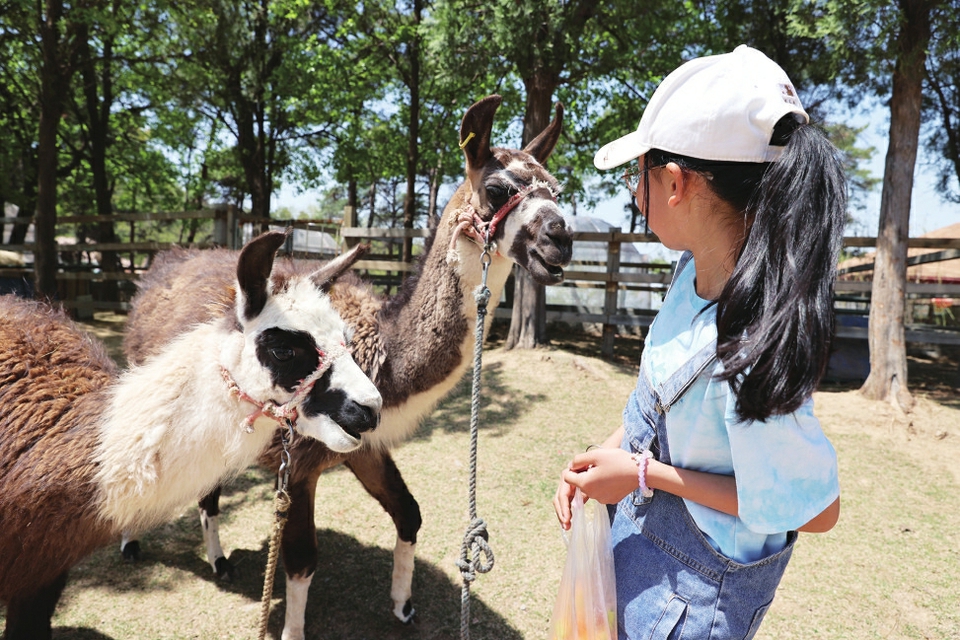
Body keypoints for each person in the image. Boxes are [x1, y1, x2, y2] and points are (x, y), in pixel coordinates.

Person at [553, 45, 844, 639]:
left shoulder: (748, 341)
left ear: (677, 182)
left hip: (690, 606)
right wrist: (604, 456)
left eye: (642, 177)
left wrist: (640, 476)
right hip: (638, 560)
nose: (636, 196)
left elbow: (818, 510)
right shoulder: (690, 275)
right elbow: (661, 402)